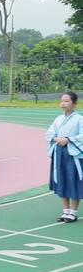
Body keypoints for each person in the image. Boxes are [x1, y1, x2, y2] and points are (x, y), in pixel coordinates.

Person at [47, 91, 83, 223]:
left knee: (73, 179)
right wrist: (55, 138)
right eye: (62, 101)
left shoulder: (79, 119)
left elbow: (82, 136)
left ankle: (73, 212)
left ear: (74, 103)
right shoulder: (58, 119)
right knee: (62, 178)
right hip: (60, 154)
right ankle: (65, 211)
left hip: (73, 154)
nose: (63, 103)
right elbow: (49, 133)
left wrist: (68, 140)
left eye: (67, 101)